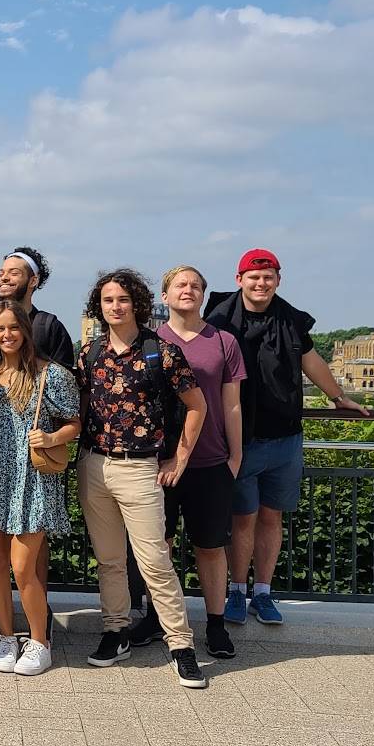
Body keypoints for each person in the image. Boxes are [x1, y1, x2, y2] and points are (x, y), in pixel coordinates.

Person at [205, 249, 367, 626]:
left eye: (268, 277)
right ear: (239, 279)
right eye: (254, 277)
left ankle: (263, 591)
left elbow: (312, 362)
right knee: (242, 518)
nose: (261, 284)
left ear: (278, 280)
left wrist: (339, 398)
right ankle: (237, 590)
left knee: (271, 516)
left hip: (285, 438)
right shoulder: (218, 319)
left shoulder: (291, 320)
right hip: (239, 439)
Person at [75, 269, 209, 689]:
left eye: (123, 300)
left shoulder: (161, 353)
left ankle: (180, 645)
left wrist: (180, 459)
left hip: (140, 466)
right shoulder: (89, 354)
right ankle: (117, 632)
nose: (115, 307)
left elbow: (196, 406)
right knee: (110, 560)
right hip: (95, 464)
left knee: (154, 561)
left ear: (138, 304)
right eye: (108, 300)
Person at [126, 266, 246, 659]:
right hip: (158, 461)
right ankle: (157, 618)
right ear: (165, 296)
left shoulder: (223, 342)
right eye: (180, 285)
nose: (188, 290)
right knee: (158, 545)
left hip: (211, 459)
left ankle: (214, 623)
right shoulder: (148, 341)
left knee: (210, 547)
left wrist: (236, 454)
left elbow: (231, 404)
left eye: (196, 285)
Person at [0, 245, 74, 645]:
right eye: (0, 330)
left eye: (13, 329)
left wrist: (51, 437)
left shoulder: (51, 374)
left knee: (23, 567)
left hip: (30, 477)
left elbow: (74, 423)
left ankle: (39, 639)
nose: (7, 335)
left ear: (26, 331)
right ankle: (8, 638)